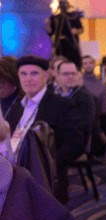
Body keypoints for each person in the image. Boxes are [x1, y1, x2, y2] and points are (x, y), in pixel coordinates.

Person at [1, 56, 83, 203]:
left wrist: (46, 162)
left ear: (45, 76)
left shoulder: (61, 105)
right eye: (23, 74)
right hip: (13, 175)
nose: (28, 79)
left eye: (34, 73)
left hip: (44, 179)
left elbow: (75, 145)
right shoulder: (17, 107)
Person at [56, 60, 95, 146]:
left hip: (74, 142)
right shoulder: (53, 94)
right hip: (53, 140)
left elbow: (85, 125)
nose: (70, 76)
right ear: (58, 76)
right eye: (66, 74)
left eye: (73, 73)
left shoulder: (85, 97)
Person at [81, 55, 106, 157]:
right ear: (82, 66)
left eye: (90, 63)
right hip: (82, 117)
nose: (88, 65)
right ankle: (100, 135)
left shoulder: (102, 86)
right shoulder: (79, 83)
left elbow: (105, 109)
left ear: (94, 64)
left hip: (98, 116)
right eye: (85, 63)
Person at [45, 0, 83, 69]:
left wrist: (76, 31)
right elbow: (50, 32)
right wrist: (48, 24)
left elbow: (80, 29)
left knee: (73, 58)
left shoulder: (73, 16)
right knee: (60, 59)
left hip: (71, 42)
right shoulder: (55, 18)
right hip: (59, 43)